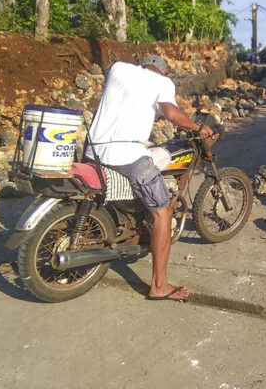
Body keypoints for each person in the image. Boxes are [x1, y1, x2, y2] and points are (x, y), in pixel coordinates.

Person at [87, 54, 213, 301]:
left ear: (142, 66)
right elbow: (171, 113)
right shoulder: (162, 83)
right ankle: (159, 285)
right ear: (163, 72)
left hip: (93, 150)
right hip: (125, 155)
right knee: (163, 212)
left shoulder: (118, 69)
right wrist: (198, 128)